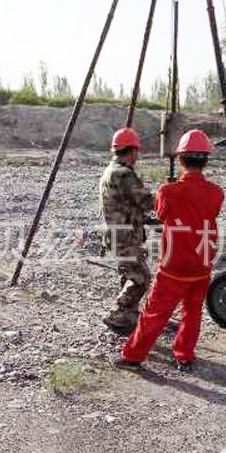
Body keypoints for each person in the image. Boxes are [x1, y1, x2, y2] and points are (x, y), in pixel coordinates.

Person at [119, 129, 224, 369]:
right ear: (206, 160)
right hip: (202, 263)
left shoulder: (168, 192)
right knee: (193, 312)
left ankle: (133, 356)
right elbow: (210, 211)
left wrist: (169, 188)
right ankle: (184, 355)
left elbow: (162, 214)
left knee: (155, 313)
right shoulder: (217, 192)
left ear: (180, 159)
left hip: (174, 265)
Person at [99, 126, 155, 334]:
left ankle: (129, 315)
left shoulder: (110, 171)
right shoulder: (124, 174)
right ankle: (119, 313)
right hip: (124, 236)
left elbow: (126, 204)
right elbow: (147, 201)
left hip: (116, 233)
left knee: (130, 273)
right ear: (132, 151)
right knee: (141, 277)